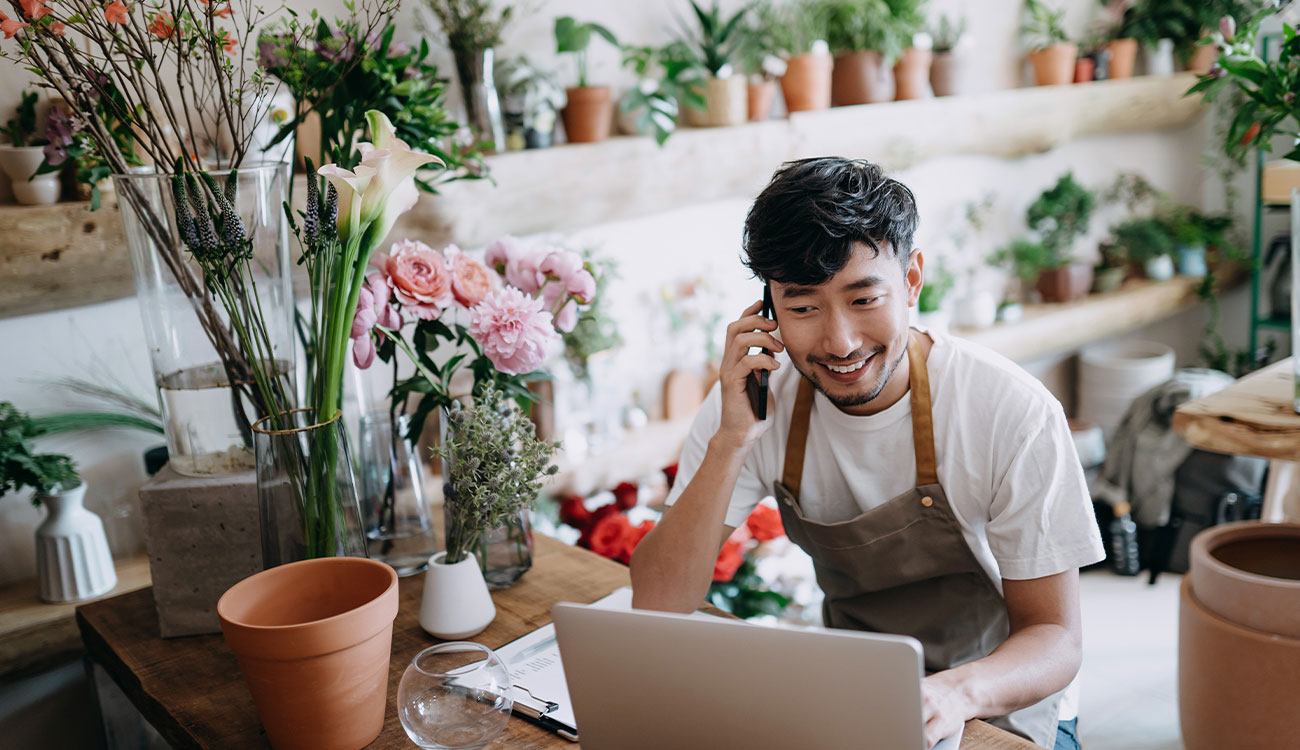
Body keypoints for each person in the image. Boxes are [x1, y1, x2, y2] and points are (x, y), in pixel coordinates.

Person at [630, 158, 1104, 750]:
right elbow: (654, 604)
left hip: (1000, 703)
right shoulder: (751, 402)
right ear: (768, 311)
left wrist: (954, 695)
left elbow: (1056, 635)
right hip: (852, 697)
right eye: (803, 308)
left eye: (863, 299)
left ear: (911, 281)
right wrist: (730, 444)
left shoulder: (1011, 410)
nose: (840, 342)